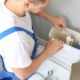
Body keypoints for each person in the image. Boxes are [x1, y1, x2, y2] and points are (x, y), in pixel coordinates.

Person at [0, 0, 66, 80]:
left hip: (20, 55)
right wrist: (47, 52)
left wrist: (51, 18)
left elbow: (30, 9)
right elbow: (23, 74)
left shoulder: (12, 3)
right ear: (27, 4)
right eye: (43, 6)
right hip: (21, 69)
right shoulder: (16, 40)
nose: (46, 7)